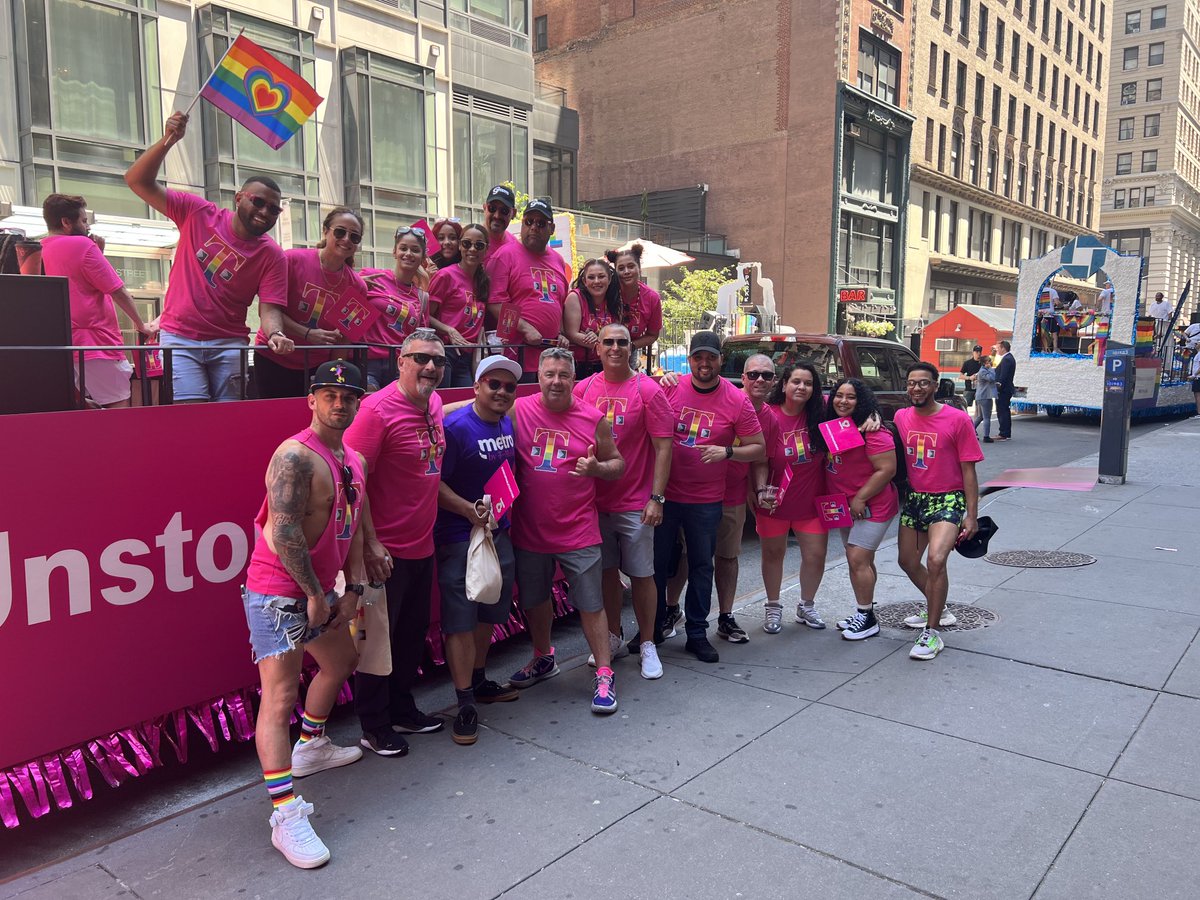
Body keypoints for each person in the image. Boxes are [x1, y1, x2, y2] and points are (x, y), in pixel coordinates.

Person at [240, 359, 369, 868]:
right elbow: (285, 530)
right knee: (279, 696)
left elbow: (354, 526)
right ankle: (285, 814)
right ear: (311, 400)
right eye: (329, 394)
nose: (340, 403)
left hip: (322, 590)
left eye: (349, 396)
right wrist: (316, 593)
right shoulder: (293, 456)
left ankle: (311, 743)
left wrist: (353, 587)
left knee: (341, 663)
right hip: (278, 590)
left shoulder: (353, 459)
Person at [124, 111, 293, 401]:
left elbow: (270, 309)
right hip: (180, 338)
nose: (265, 212)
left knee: (227, 420)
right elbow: (137, 180)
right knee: (191, 415)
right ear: (239, 198)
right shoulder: (197, 212)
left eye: (274, 209)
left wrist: (276, 334)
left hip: (229, 343)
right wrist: (168, 140)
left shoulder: (272, 255)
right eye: (258, 202)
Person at [505, 348, 626, 714]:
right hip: (530, 531)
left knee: (591, 604)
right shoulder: (518, 409)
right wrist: (430, 407)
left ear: (574, 379)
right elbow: (470, 409)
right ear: (538, 377)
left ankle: (604, 672)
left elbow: (618, 464)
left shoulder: (593, 418)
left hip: (578, 530)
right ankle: (543, 657)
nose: (556, 381)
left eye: (563, 374)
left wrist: (597, 470)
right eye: (549, 374)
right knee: (534, 599)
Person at [345, 328, 447, 755]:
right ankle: (374, 725)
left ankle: (403, 710)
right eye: (420, 358)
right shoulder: (376, 411)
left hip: (422, 544)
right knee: (377, 645)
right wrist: (370, 544)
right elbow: (352, 479)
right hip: (384, 552)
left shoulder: (435, 403)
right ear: (400, 361)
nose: (430, 367)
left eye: (438, 361)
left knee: (409, 635)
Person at [651, 331, 764, 663]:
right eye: (698, 357)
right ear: (689, 360)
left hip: (706, 498)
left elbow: (758, 447)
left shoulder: (736, 400)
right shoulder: (670, 387)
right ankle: (652, 629)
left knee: (702, 565)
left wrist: (727, 451)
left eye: (710, 357)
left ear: (719, 360)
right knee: (658, 566)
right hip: (666, 495)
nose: (704, 363)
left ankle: (697, 633)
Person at [574, 323, 674, 680]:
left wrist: (656, 498)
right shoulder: (583, 388)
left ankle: (647, 641)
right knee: (606, 574)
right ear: (597, 348)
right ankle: (612, 636)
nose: (615, 348)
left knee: (642, 575)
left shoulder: (648, 390)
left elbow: (664, 447)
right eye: (608, 342)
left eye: (622, 342)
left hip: (635, 502)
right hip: (595, 503)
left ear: (632, 348)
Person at [435, 355, 524, 745]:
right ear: (476, 386)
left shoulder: (507, 422)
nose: (502, 392)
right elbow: (432, 484)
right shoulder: (454, 428)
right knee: (460, 621)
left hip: (497, 533)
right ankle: (464, 702)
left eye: (509, 387)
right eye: (494, 384)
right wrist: (468, 512)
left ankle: (479, 679)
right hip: (459, 538)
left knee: (490, 609)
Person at [895, 361, 983, 661]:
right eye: (911, 383)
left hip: (948, 499)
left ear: (935, 385)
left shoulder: (957, 420)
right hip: (916, 499)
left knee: (935, 560)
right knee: (907, 561)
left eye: (923, 383)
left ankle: (931, 634)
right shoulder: (901, 416)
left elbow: (968, 471)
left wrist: (971, 514)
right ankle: (938, 606)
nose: (916, 388)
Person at [39, 193, 156, 408]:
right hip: (96, 343)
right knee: (118, 405)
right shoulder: (83, 246)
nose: (86, 227)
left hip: (63, 344)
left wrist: (98, 254)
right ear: (66, 222)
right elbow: (118, 290)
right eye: (83, 221)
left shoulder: (42, 249)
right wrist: (141, 325)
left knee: (74, 404)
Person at [254, 208, 369, 398]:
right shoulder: (291, 259)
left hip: (316, 367)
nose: (347, 239)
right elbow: (268, 310)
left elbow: (344, 340)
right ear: (325, 231)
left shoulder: (358, 287)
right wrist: (307, 334)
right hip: (272, 357)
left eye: (354, 237)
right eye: (340, 232)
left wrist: (335, 373)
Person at [822, 379, 898, 641]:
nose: (843, 401)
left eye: (851, 397)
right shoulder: (837, 422)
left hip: (870, 506)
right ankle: (865, 611)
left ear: (862, 401)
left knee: (857, 559)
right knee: (861, 560)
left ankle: (866, 618)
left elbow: (887, 469)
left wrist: (861, 497)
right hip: (845, 505)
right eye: (839, 395)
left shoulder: (873, 431)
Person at [758, 363, 829, 632]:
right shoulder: (769, 415)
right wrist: (761, 489)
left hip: (811, 502)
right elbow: (760, 459)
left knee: (816, 555)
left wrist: (872, 416)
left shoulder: (821, 412)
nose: (802, 387)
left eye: (808, 383)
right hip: (773, 502)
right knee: (773, 554)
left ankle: (806, 606)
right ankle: (773, 607)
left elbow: (854, 404)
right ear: (784, 384)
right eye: (796, 381)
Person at [485, 198, 569, 382]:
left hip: (549, 359)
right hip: (517, 355)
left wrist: (561, 333)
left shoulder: (558, 260)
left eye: (541, 223)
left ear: (552, 229)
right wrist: (524, 328)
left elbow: (559, 303)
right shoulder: (505, 255)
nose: (534, 227)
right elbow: (495, 302)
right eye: (529, 221)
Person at [360, 226, 430, 391]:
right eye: (403, 248)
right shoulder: (372, 277)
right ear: (394, 252)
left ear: (423, 257)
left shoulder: (422, 297)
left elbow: (419, 338)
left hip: (401, 366)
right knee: (371, 409)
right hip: (368, 362)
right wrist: (356, 283)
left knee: (398, 411)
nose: (408, 253)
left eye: (415, 250)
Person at [429, 223, 490, 388]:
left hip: (469, 357)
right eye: (466, 243)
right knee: (444, 403)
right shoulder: (445, 276)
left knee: (466, 402)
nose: (472, 249)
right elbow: (425, 316)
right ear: (460, 246)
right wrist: (449, 330)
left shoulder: (483, 281)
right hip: (446, 352)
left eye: (478, 245)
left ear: (486, 249)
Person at [563, 258, 620, 379]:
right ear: (584, 281)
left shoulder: (614, 300)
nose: (596, 281)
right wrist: (601, 341)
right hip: (579, 366)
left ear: (609, 279)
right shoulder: (575, 297)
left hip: (607, 364)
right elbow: (571, 333)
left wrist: (598, 338)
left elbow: (617, 334)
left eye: (601, 276)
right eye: (591, 277)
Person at [611, 244, 663, 369]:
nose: (626, 272)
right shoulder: (608, 291)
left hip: (630, 351)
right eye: (621, 268)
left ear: (639, 269)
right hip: (602, 350)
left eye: (631, 266)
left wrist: (631, 346)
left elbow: (653, 335)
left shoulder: (652, 298)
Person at [481, 185, 517, 259]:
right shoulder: (469, 243)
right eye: (492, 208)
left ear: (513, 213)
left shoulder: (515, 247)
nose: (497, 216)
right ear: (485, 208)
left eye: (504, 211)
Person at [972, 355, 998, 443]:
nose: (990, 363)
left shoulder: (983, 371)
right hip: (985, 396)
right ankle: (986, 436)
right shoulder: (983, 371)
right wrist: (991, 369)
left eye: (990, 361)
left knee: (981, 416)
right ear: (984, 363)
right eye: (988, 362)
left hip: (981, 396)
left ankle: (970, 430)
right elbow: (992, 378)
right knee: (987, 417)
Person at [994, 340, 1016, 440]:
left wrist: (998, 387)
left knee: (1002, 411)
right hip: (1006, 389)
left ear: (1003, 348)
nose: (997, 350)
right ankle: (1005, 433)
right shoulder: (1008, 358)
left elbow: (1003, 376)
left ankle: (1003, 433)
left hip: (1003, 390)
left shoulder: (1007, 359)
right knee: (1004, 411)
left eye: (998, 348)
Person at [960, 345, 983, 410]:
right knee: (964, 407)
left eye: (980, 352)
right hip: (969, 388)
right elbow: (961, 375)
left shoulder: (983, 363)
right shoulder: (967, 363)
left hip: (981, 389)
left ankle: (976, 419)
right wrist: (969, 378)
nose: (978, 354)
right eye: (977, 352)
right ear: (973, 352)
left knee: (979, 409)